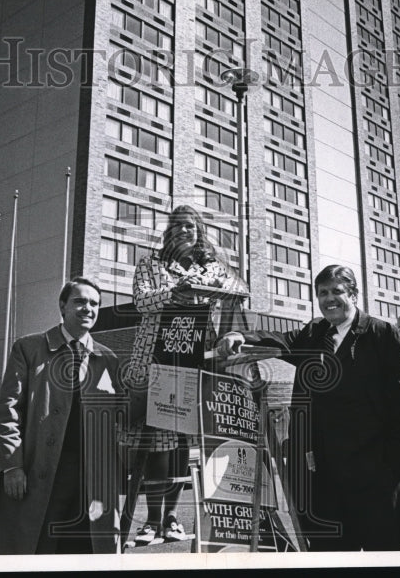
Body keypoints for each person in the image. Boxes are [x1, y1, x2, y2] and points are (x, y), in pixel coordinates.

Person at [214, 264, 400, 552]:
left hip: (375, 480)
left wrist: (389, 469)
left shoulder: (384, 336)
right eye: (322, 293)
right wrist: (240, 336)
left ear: (353, 294)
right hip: (327, 479)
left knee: (381, 556)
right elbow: (281, 340)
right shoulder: (315, 333)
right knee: (332, 554)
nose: (329, 299)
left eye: (336, 291)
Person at [0, 277, 122, 554]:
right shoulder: (29, 348)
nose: (88, 308)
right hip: (39, 470)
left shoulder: (107, 358)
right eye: (80, 301)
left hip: (91, 477)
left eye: (94, 304)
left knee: (84, 548)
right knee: (37, 547)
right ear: (63, 307)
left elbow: (124, 412)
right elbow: (8, 410)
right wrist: (12, 465)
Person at [120, 205, 237, 545]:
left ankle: (172, 519)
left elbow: (230, 297)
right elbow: (142, 302)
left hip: (192, 360)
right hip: (153, 359)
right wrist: (175, 291)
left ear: (200, 231)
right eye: (178, 226)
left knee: (181, 445)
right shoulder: (150, 264)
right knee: (153, 444)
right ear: (169, 232)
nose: (184, 231)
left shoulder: (212, 267)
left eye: (190, 226)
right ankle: (150, 521)